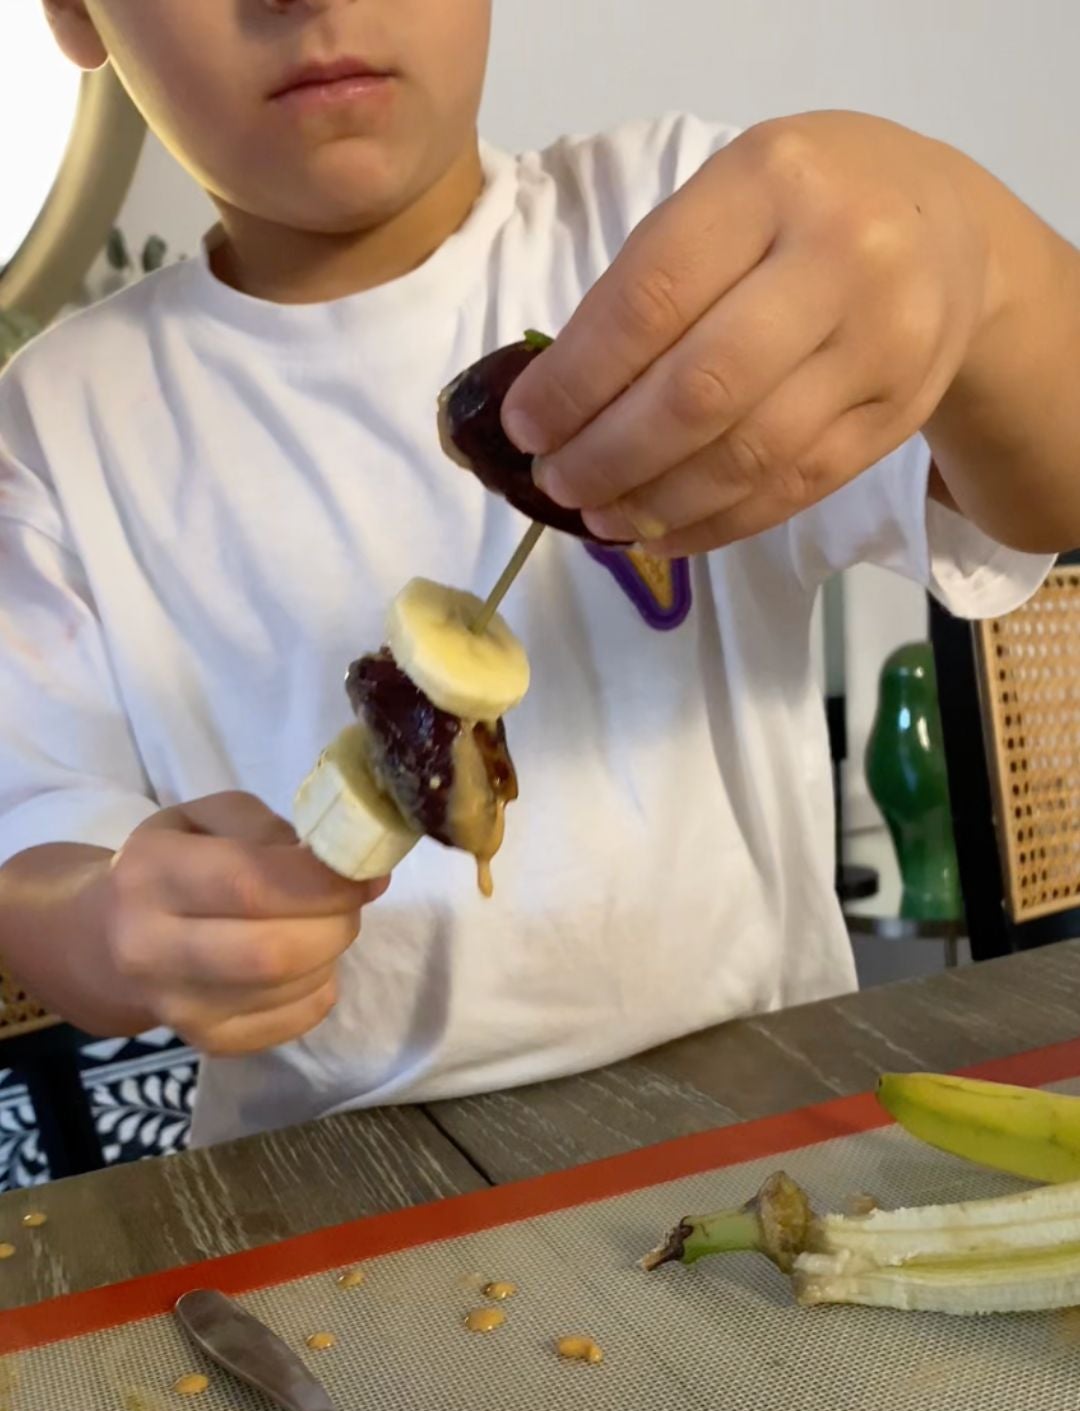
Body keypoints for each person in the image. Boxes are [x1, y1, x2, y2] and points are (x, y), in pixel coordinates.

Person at [1, 0, 1077, 1149]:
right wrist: (114, 922)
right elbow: (33, 832)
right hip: (326, 1165)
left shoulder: (685, 235)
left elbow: (1049, 493)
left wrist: (976, 260)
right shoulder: (54, 426)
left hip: (761, 1107)